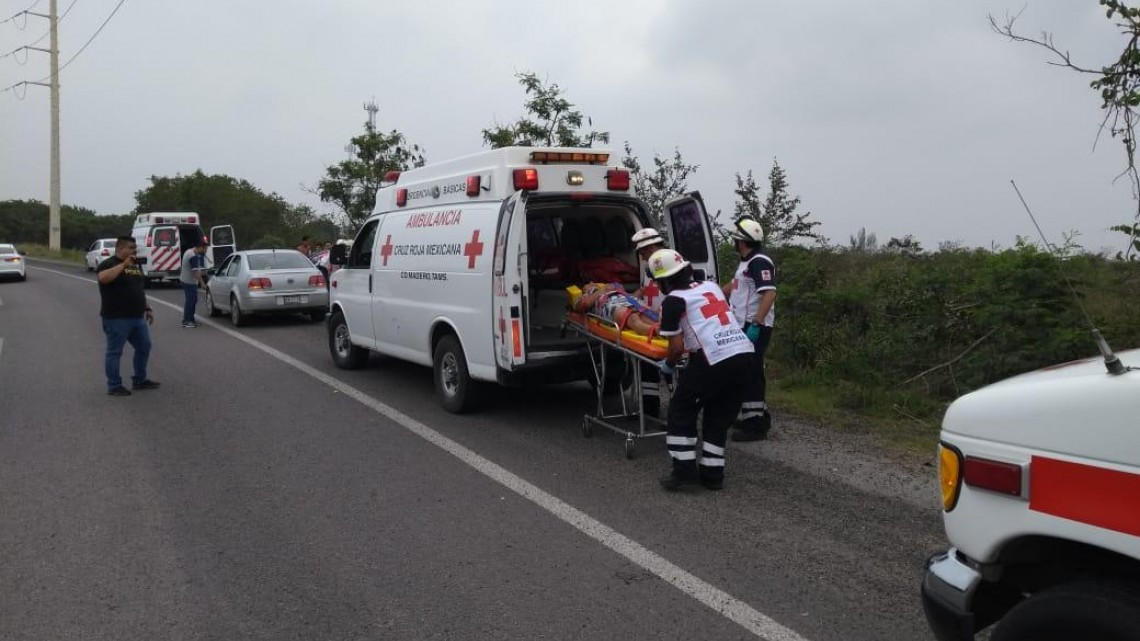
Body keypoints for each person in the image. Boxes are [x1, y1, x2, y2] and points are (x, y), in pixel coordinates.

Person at [651, 248, 753, 491]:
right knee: (718, 416)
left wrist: (667, 366)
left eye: (658, 282)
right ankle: (712, 474)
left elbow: (675, 349)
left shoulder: (673, 301)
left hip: (712, 359)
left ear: (664, 280)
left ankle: (684, 471)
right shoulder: (711, 287)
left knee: (680, 411)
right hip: (743, 355)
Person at [723, 217, 778, 441]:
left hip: (754, 326)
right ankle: (752, 415)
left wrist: (756, 323)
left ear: (742, 242)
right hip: (741, 324)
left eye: (736, 240)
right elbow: (734, 287)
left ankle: (756, 426)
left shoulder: (759, 261)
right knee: (743, 371)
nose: (735, 243)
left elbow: (770, 293)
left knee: (752, 371)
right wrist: (712, 293)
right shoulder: (746, 262)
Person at [97, 236, 160, 396]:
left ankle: (140, 379)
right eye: (131, 248)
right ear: (120, 248)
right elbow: (103, 278)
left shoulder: (135, 265)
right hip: (117, 317)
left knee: (144, 346)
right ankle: (114, 385)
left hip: (137, 317)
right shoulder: (109, 263)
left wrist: (147, 308)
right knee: (115, 351)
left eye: (135, 248)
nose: (134, 251)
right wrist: (123, 265)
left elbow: (138, 288)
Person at [629, 227, 669, 417]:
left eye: (643, 252)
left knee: (671, 369)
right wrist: (628, 299)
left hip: (666, 321)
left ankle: (678, 411)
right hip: (649, 322)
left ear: (652, 246)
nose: (642, 257)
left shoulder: (670, 262)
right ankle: (650, 408)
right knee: (647, 367)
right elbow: (646, 290)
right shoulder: (650, 267)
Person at [180, 239, 208, 328]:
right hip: (189, 282)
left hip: (187, 280)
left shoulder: (189, 251)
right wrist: (203, 284)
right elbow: (196, 273)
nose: (205, 251)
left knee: (193, 300)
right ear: (200, 248)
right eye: (205, 249)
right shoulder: (192, 256)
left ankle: (190, 319)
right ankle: (187, 321)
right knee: (191, 301)